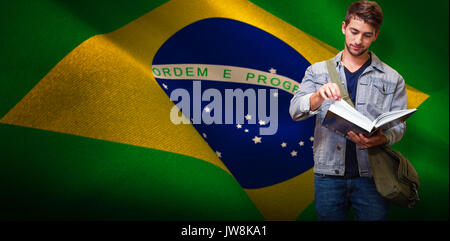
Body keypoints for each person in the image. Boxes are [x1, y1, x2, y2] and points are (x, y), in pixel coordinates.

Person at [289, 0, 407, 221]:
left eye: (366, 35)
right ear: (344, 27)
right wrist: (317, 96)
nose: (358, 40)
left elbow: (399, 126)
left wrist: (382, 139)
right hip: (328, 176)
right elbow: (295, 111)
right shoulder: (316, 72)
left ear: (375, 36)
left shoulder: (393, 78)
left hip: (373, 176)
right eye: (354, 31)